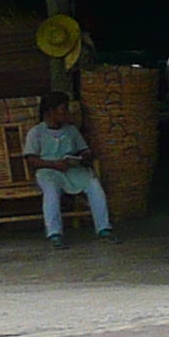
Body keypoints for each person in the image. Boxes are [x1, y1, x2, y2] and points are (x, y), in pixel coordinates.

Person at [22, 94, 112, 242]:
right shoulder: (36, 132)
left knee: (94, 185)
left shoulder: (71, 131)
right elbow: (31, 159)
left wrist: (85, 156)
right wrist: (53, 164)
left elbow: (84, 150)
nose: (67, 113)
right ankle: (55, 233)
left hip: (72, 170)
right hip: (49, 171)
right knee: (51, 191)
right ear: (51, 111)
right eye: (63, 109)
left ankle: (104, 229)